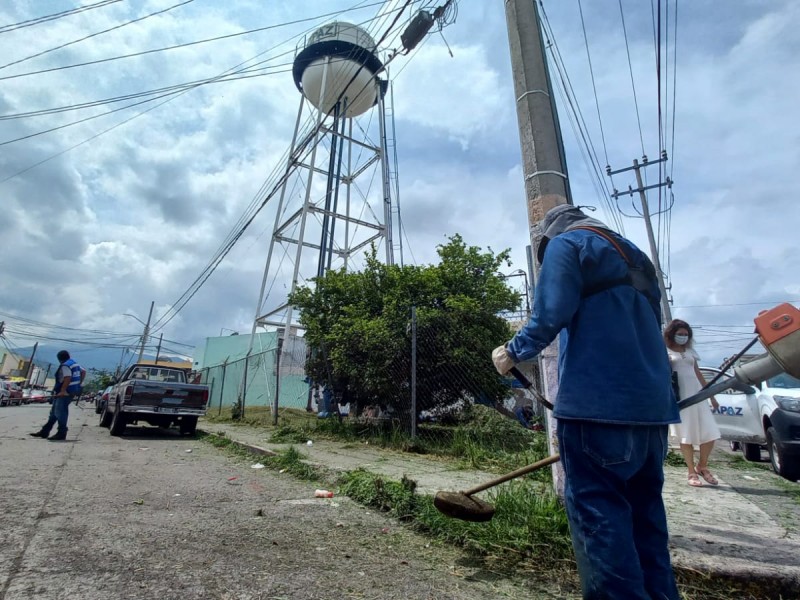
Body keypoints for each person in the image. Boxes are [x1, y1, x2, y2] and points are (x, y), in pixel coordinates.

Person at [492, 204, 680, 600]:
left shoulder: (567, 245)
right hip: (651, 413)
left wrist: (511, 351)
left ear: (548, 237)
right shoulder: (637, 257)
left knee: (601, 523)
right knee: (646, 524)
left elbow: (549, 312)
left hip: (596, 407)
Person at [664, 319, 720, 487]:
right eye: (680, 334)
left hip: (698, 396)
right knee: (685, 434)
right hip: (681, 397)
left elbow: (698, 373)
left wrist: (711, 395)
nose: (683, 337)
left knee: (710, 433)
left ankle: (702, 465)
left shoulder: (690, 352)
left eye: (686, 335)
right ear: (672, 334)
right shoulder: (665, 351)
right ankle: (691, 471)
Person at [29, 350, 85, 441]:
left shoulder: (65, 365)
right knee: (54, 413)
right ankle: (45, 431)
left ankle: (62, 432)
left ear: (59, 359)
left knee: (60, 412)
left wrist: (63, 390)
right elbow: (83, 372)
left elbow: (67, 378)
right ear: (68, 356)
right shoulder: (74, 363)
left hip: (66, 392)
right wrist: (79, 384)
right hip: (72, 391)